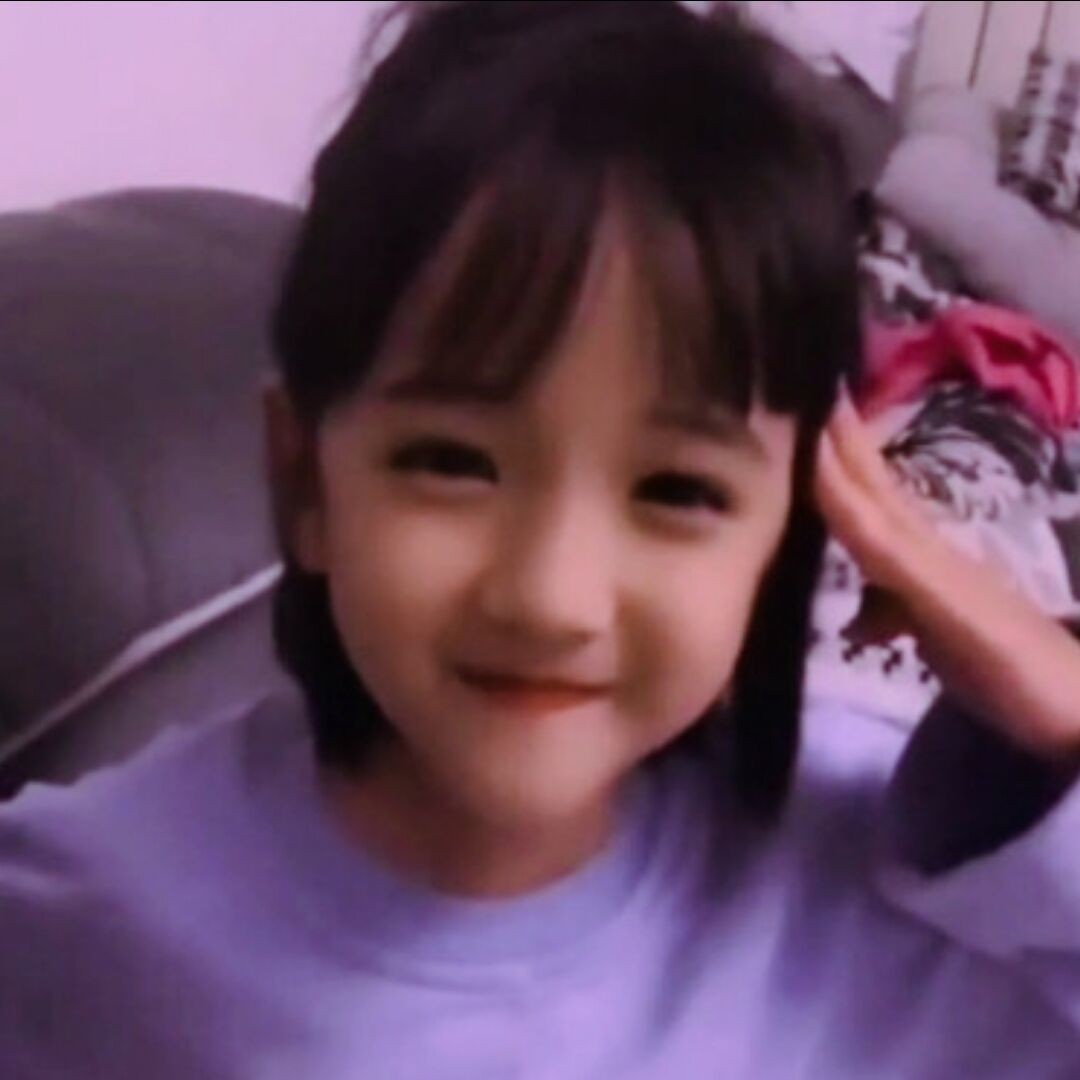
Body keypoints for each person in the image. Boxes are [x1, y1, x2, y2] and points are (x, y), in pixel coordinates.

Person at [3, 3, 1080, 1076]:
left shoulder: (911, 873)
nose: (551, 597)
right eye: (452, 463)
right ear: (305, 482)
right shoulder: (93, 912)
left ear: (788, 531)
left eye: (676, 488)